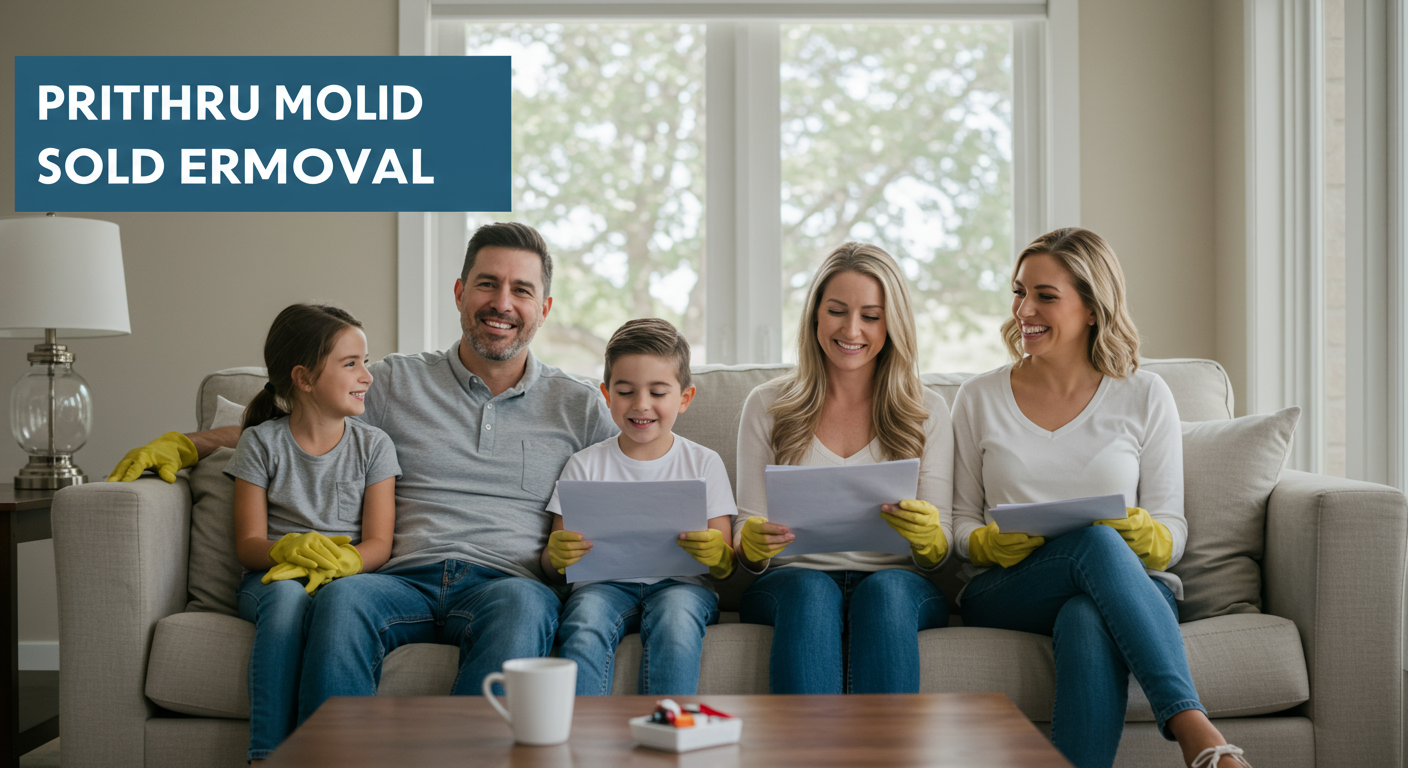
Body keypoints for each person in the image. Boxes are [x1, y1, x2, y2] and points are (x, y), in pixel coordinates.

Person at [107, 222, 617, 721]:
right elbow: (297, 426)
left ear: (544, 308)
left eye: (521, 290)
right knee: (343, 596)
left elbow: (638, 465)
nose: (502, 303)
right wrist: (189, 444)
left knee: (526, 607)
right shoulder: (394, 381)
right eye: (487, 284)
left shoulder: (579, 405)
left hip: (509, 583)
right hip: (398, 579)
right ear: (460, 293)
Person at [950, 228, 1251, 768]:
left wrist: (1150, 537)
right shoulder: (979, 397)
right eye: (1019, 292)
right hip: (1011, 589)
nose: (1024, 310)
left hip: (1125, 587)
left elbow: (1171, 526)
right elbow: (958, 524)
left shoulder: (1144, 393)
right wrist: (987, 543)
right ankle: (1196, 732)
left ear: (1092, 308)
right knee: (1095, 544)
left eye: (1045, 296)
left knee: (1086, 615)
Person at [732, 242, 953, 694]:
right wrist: (750, 543)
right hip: (792, 581)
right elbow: (746, 538)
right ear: (815, 315)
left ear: (892, 323)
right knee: (811, 591)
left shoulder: (927, 410)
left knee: (884, 592)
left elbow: (940, 548)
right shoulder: (767, 405)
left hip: (899, 583)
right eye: (836, 311)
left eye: (871, 316)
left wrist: (931, 537)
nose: (852, 329)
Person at [223, 304, 400, 764]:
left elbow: (379, 543)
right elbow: (248, 546)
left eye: (365, 362)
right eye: (351, 363)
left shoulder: (374, 446)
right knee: (286, 598)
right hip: (272, 581)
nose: (367, 376)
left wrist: (349, 562)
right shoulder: (260, 443)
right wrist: (286, 549)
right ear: (303, 378)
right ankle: (266, 755)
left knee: (338, 606)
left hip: (343, 583)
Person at [543, 318, 736, 695]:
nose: (641, 405)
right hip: (601, 587)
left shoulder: (704, 462)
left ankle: (665, 722)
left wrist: (718, 554)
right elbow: (553, 565)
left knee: (677, 621)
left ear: (685, 398)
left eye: (658, 392)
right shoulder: (584, 465)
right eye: (626, 391)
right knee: (585, 621)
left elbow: (725, 564)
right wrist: (556, 557)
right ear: (606, 394)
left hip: (682, 587)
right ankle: (582, 726)